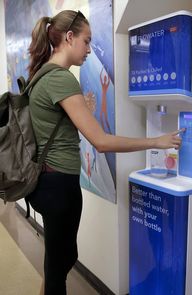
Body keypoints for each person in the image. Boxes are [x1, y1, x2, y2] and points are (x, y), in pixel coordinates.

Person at [27, 10, 183, 295]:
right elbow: (101, 141)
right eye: (86, 41)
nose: (88, 49)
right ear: (69, 37)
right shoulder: (60, 79)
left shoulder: (41, 76)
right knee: (59, 270)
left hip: (45, 184)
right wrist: (156, 142)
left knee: (56, 262)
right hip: (59, 187)